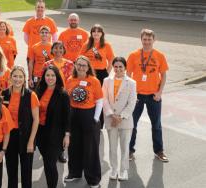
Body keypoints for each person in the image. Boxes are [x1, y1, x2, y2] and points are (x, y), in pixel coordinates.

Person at [127, 29, 169, 162]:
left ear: (154, 40)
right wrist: (131, 93)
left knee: (156, 125)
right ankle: (129, 151)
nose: (147, 42)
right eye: (144, 39)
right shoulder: (133, 55)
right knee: (132, 124)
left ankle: (159, 151)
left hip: (153, 96)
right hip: (137, 95)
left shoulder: (159, 55)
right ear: (141, 40)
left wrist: (159, 92)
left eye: (149, 40)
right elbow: (128, 75)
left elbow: (163, 75)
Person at [64, 56, 103, 188]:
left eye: (84, 65)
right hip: (73, 115)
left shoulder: (94, 81)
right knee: (74, 147)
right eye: (79, 65)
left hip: (89, 115)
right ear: (75, 65)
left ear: (88, 67)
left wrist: (96, 118)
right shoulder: (70, 80)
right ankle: (75, 172)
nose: (81, 67)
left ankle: (93, 179)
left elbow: (99, 101)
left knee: (90, 148)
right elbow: (66, 99)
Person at [2, 66, 40, 188]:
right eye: (15, 76)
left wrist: (30, 142)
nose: (17, 79)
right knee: (11, 170)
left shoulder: (31, 95)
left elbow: (36, 120)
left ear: (24, 79)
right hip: (9, 137)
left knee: (26, 172)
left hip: (26, 137)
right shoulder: (4, 94)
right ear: (10, 78)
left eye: (20, 76)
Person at [34, 65, 71, 188]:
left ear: (57, 77)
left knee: (50, 163)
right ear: (43, 77)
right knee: (47, 162)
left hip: (56, 134)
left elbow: (67, 117)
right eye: (47, 75)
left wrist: (67, 135)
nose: (50, 78)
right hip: (40, 133)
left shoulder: (63, 94)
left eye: (53, 75)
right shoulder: (38, 91)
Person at [101, 57, 137, 181]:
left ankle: (123, 170)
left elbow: (132, 102)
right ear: (113, 67)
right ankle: (114, 169)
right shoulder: (106, 81)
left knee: (124, 147)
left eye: (120, 66)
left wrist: (120, 117)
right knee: (112, 147)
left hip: (125, 121)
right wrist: (111, 115)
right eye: (115, 66)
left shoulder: (131, 82)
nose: (118, 69)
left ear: (125, 68)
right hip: (111, 119)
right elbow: (104, 99)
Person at [81, 24, 115, 129]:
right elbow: (81, 58)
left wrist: (107, 71)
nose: (96, 33)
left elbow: (111, 59)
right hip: (89, 73)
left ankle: (99, 123)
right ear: (91, 33)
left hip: (101, 73)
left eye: (98, 31)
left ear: (102, 34)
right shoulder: (86, 45)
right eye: (94, 31)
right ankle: (87, 118)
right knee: (88, 96)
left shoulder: (106, 45)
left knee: (100, 98)